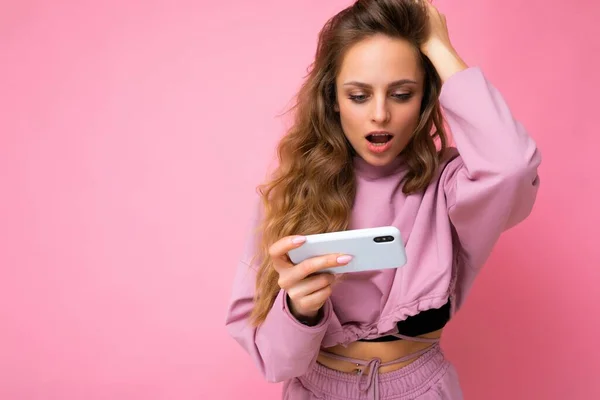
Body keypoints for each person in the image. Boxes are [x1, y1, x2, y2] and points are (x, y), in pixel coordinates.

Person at [225, 0, 541, 398]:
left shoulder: (451, 186)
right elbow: (274, 364)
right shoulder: (288, 194)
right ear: (333, 100)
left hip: (422, 387)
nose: (380, 114)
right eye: (358, 95)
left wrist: (439, 47)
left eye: (402, 94)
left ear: (427, 98)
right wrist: (301, 310)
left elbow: (512, 165)